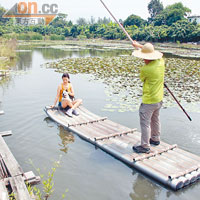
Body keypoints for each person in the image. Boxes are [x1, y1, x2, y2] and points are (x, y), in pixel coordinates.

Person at [132, 41, 165, 153]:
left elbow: (142, 79)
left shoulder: (146, 69)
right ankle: (155, 139)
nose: (143, 59)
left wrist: (140, 48)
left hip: (149, 101)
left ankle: (145, 146)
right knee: (155, 119)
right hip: (159, 99)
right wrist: (140, 46)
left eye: (144, 57)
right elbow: (158, 53)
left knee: (145, 123)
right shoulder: (161, 62)